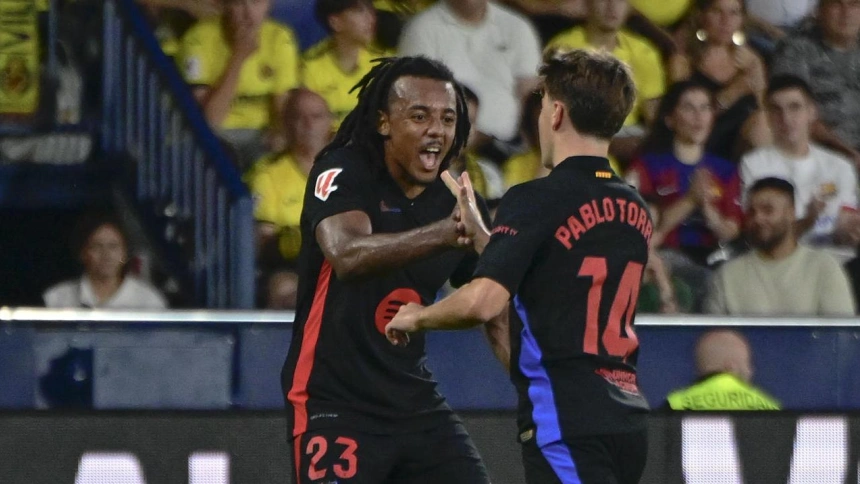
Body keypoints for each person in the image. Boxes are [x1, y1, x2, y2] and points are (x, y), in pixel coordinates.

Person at [386, 49, 651, 484]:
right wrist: (487, 244)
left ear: (558, 112)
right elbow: (557, 279)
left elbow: (483, 303)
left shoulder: (535, 198)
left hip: (567, 419)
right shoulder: (633, 206)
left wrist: (418, 316)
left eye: (544, 101)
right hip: (625, 415)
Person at [281, 56, 493, 483]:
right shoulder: (342, 170)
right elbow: (347, 256)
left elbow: (493, 297)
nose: (437, 129)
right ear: (383, 123)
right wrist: (448, 233)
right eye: (420, 116)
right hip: (334, 400)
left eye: (448, 118)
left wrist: (531, 390)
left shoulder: (456, 199)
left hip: (415, 401)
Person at [740, 75, 860, 256]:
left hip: (839, 262)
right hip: (785, 262)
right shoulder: (754, 165)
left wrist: (850, 232)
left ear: (812, 112)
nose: (786, 118)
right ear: (768, 116)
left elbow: (847, 224)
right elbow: (761, 236)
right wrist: (807, 222)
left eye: (794, 107)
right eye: (776, 110)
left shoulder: (840, 166)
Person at [705, 177, 857, 315]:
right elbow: (713, 338)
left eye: (768, 210)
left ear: (791, 213)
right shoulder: (727, 275)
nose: (758, 218)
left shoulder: (824, 267)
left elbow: (839, 337)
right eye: (752, 212)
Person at [398, 0, 542, 145]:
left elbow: (529, 96)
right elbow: (417, 99)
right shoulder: (421, 29)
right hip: (447, 145)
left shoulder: (518, 27)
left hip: (510, 147)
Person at [177, 0, 301, 168]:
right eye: (239, 3)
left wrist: (280, 135)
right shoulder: (198, 39)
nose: (249, 13)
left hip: (262, 136)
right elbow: (210, 119)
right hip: (217, 137)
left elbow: (282, 108)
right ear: (225, 6)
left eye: (256, 2)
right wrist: (238, 57)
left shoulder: (279, 37)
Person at [246, 88, 334, 309]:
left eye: (316, 117)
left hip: (344, 261)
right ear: (286, 124)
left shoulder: (352, 172)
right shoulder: (267, 174)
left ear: (330, 124)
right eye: (298, 117)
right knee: (285, 291)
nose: (308, 124)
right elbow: (263, 241)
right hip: (292, 267)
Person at [669, 0, 771, 161]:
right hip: (702, 140)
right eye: (717, 12)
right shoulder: (684, 61)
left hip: (745, 141)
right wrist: (734, 92)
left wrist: (756, 71)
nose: (726, 21)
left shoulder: (752, 59)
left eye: (734, 13)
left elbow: (764, 108)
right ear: (702, 16)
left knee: (762, 123)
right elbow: (683, 114)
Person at [770, 0, 860, 168]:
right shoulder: (796, 50)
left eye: (854, 4)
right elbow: (791, 111)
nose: (846, 13)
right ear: (819, 11)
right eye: (837, 4)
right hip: (823, 152)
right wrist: (844, 150)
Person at [43, 213, 167, 309]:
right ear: (83, 253)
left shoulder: (148, 300)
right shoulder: (57, 298)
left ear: (125, 253)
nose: (106, 255)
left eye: (113, 246)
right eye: (97, 246)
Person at [303, 0, 385, 129]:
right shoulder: (310, 67)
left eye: (371, 10)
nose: (371, 19)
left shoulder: (382, 63)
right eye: (359, 11)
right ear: (335, 22)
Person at [665, 329, 780, 410]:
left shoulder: (676, 404)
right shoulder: (769, 406)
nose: (750, 371)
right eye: (747, 364)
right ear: (730, 367)